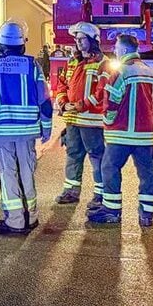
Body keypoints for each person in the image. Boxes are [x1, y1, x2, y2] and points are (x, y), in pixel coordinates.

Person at [0, 21, 54, 235]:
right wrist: (47, 128)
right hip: (27, 130)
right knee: (27, 172)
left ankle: (15, 220)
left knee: (8, 174)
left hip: (0, 132)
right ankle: (31, 217)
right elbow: (45, 100)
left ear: (0, 44)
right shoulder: (32, 66)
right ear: (22, 44)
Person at [88, 34, 153, 228]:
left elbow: (111, 102)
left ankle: (112, 211)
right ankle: (147, 215)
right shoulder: (151, 72)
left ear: (124, 50)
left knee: (109, 168)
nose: (115, 50)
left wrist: (108, 122)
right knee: (147, 173)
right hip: (145, 136)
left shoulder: (120, 72)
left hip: (120, 134)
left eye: (117, 47)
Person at [53, 22, 106, 210]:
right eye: (76, 39)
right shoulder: (72, 62)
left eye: (82, 39)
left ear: (93, 40)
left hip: (92, 121)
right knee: (73, 155)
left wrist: (80, 105)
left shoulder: (102, 63)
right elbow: (62, 85)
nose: (78, 42)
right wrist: (63, 103)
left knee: (97, 157)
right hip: (73, 120)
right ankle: (71, 192)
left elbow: (102, 92)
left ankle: (100, 195)